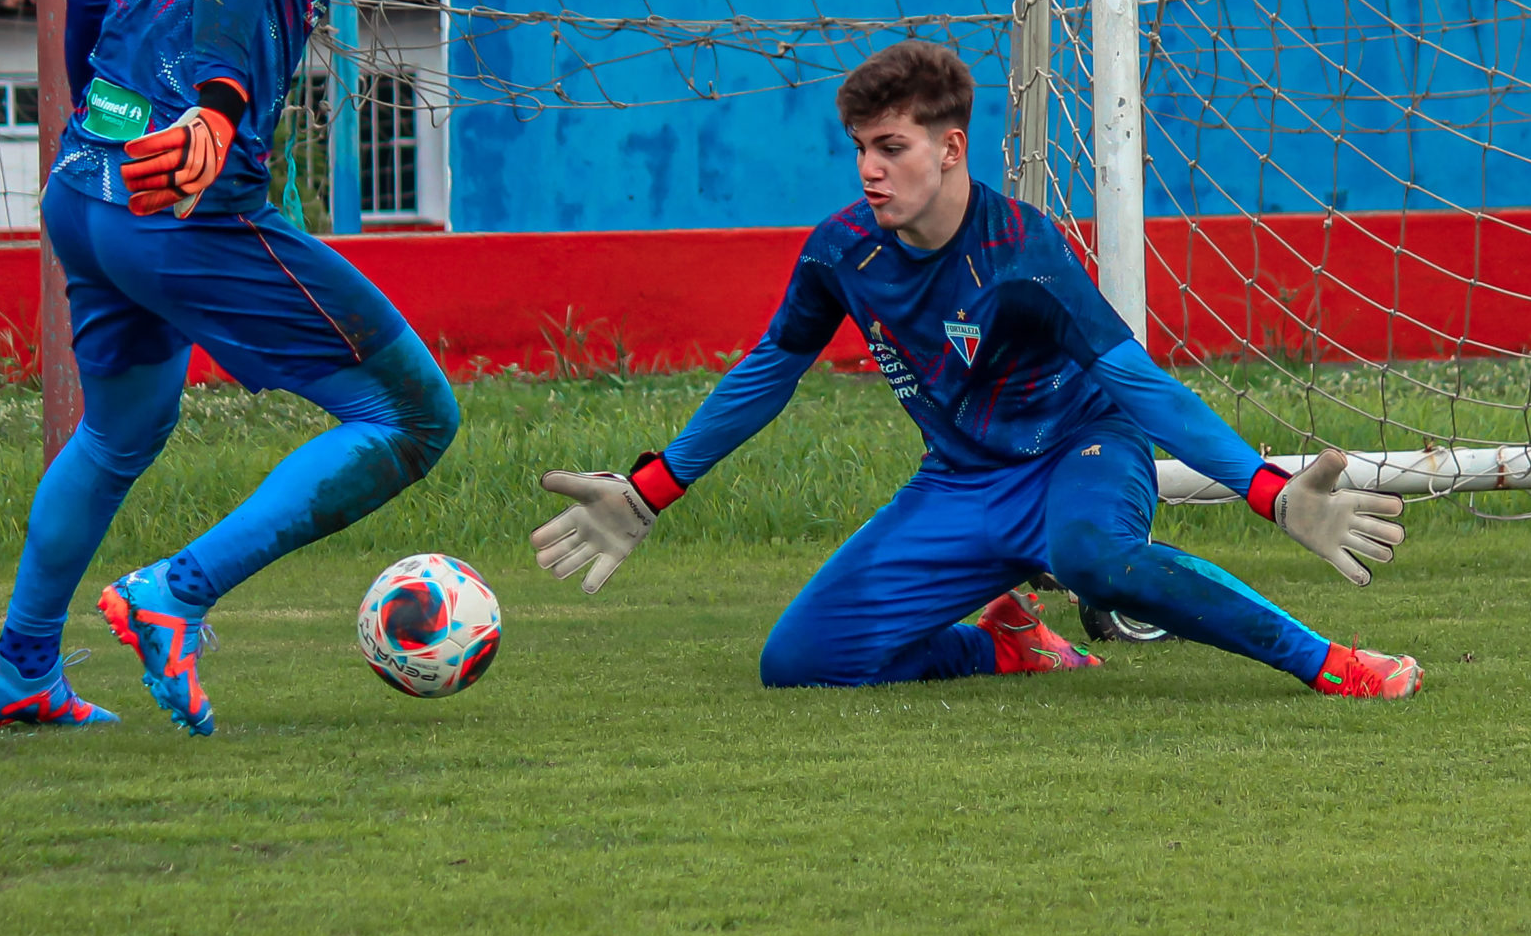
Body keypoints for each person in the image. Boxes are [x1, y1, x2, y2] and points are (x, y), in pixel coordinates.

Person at [531, 41, 1420, 697]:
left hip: (1080, 454)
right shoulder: (842, 252)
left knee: (1092, 553)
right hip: (957, 483)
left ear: (951, 147)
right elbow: (769, 371)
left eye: (891, 148)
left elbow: (1141, 384)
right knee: (797, 664)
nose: (869, 171)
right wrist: (650, 489)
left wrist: (1269, 491)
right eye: (860, 149)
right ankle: (1006, 643)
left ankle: (1330, 664)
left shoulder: (1021, 251)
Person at [0, 0, 459, 736]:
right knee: (413, 414)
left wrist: (109, 128)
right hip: (186, 210)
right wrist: (217, 109)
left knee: (118, 431)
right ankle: (172, 594)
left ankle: (18, 670)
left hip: (88, 195)